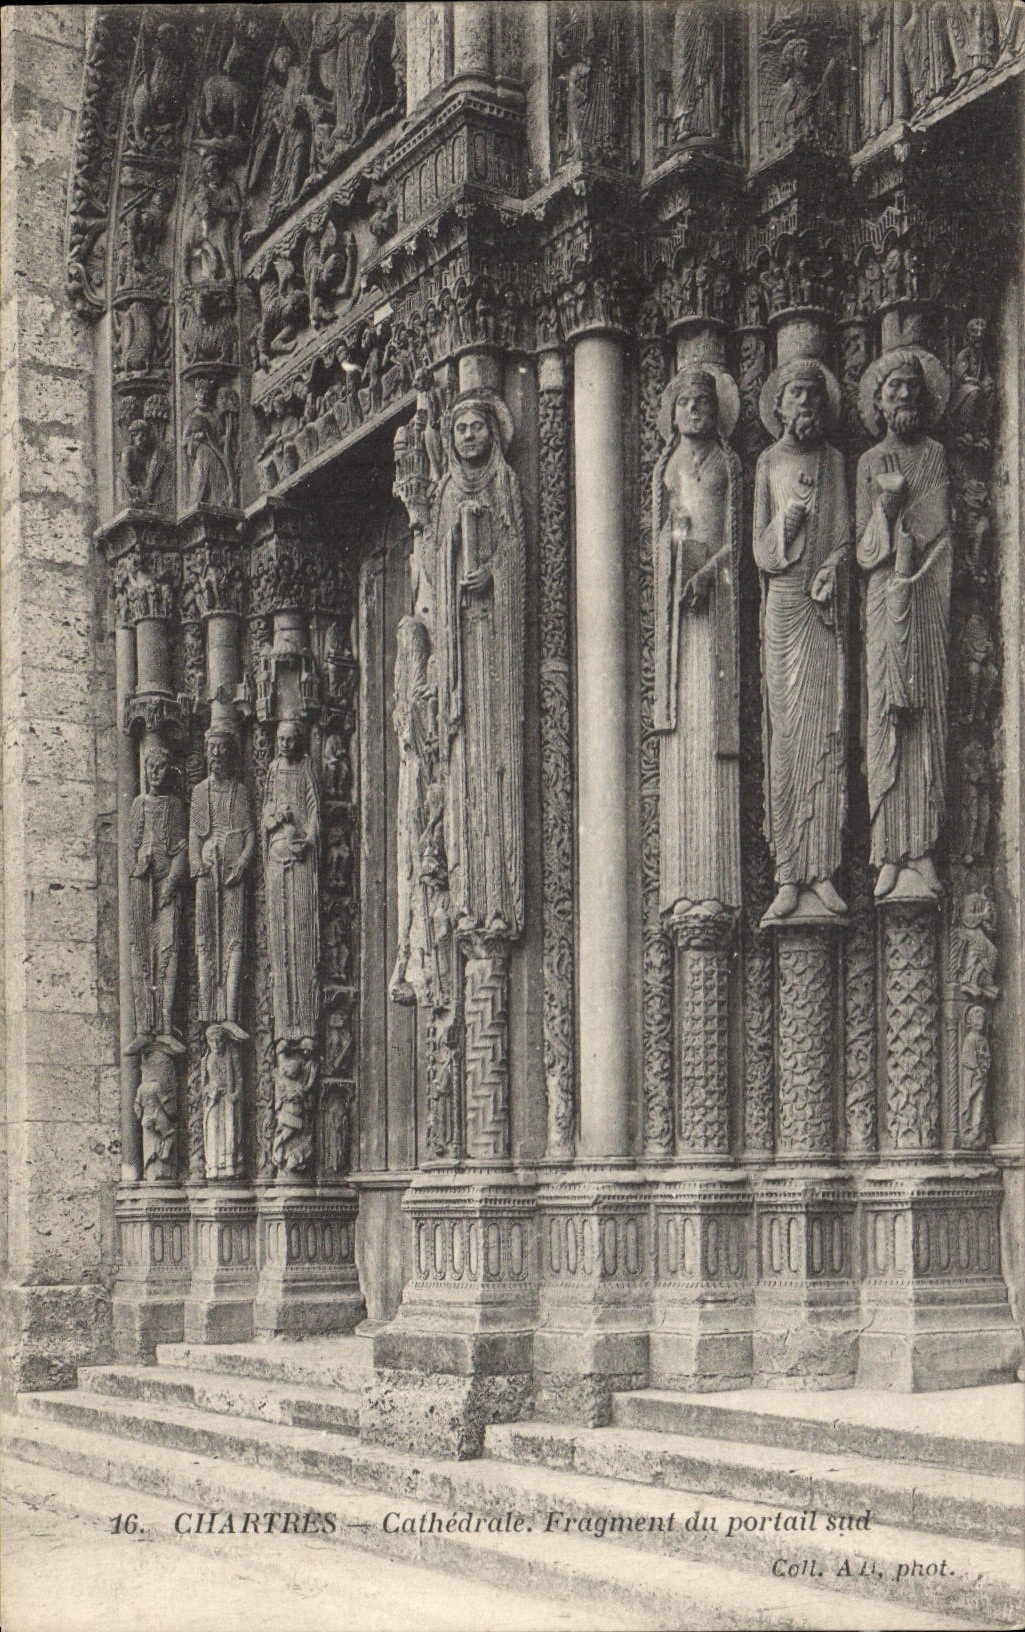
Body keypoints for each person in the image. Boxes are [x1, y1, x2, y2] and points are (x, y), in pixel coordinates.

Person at [754, 359, 850, 922]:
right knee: (786, 740)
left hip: (822, 610)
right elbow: (760, 553)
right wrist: (787, 522)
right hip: (784, 608)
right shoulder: (768, 463)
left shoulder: (834, 462)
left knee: (825, 736)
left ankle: (823, 870)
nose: (807, 403)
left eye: (815, 394)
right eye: (796, 394)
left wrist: (834, 569)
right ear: (780, 407)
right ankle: (788, 872)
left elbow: (843, 537)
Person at [856, 349, 952, 900]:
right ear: (879, 400)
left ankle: (922, 850)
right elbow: (866, 551)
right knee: (884, 719)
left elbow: (943, 532)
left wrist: (916, 567)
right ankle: (889, 851)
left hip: (927, 598)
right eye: (894, 387)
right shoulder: (870, 462)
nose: (905, 396)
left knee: (925, 724)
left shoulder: (934, 455)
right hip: (882, 601)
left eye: (913, 387)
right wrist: (887, 514)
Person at [431, 391, 525, 939]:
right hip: (463, 651)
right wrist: (455, 572)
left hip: (497, 656)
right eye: (460, 427)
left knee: (494, 765)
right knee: (466, 771)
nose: (469, 435)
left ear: (493, 431)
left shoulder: (505, 483)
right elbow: (438, 561)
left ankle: (499, 899)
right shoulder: (445, 493)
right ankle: (469, 897)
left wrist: (493, 571)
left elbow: (514, 551)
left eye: (477, 425)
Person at [653, 365, 742, 916]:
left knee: (712, 730)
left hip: (716, 613)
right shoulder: (668, 469)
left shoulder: (729, 466)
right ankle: (682, 884)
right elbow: (658, 536)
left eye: (704, 403)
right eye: (685, 402)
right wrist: (673, 547)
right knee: (684, 737)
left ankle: (714, 885)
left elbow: (737, 539)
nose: (695, 410)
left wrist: (707, 571)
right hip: (679, 625)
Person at [190, 728, 255, 1027]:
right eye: (211, 749)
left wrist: (242, 862)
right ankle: (207, 1010)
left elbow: (250, 833)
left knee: (233, 938)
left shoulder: (239, 792)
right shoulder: (200, 791)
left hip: (232, 873)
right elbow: (195, 832)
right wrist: (196, 860)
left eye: (222, 749)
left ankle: (229, 1011)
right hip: (207, 871)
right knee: (205, 938)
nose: (216, 755)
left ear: (232, 753)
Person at [263, 719, 320, 1041]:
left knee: (301, 938)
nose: (285, 744)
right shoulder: (273, 770)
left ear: (299, 742)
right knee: (280, 939)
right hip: (276, 858)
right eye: (280, 739)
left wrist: (309, 841)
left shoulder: (305, 770)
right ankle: (284, 1028)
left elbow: (314, 813)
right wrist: (275, 818)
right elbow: (265, 814)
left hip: (300, 861)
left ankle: (306, 1025)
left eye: (290, 739)